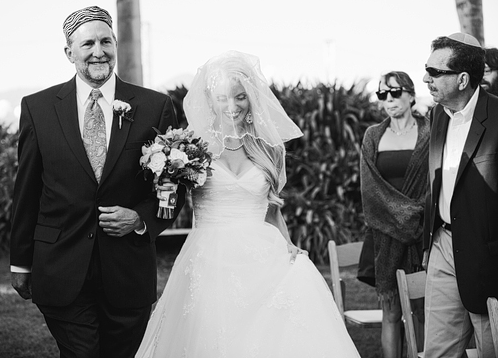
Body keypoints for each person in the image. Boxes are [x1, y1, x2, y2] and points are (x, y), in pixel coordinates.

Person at [134, 50, 360, 357]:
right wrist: (165, 177)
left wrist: (290, 245)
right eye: (223, 97)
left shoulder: (270, 149)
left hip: (264, 255)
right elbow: (168, 203)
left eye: (240, 97)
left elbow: (273, 209)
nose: (232, 106)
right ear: (209, 100)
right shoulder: (188, 148)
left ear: (251, 98)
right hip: (210, 258)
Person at [9, 5, 185, 358]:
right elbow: (26, 190)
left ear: (116, 45)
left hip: (128, 272)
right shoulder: (38, 108)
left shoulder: (155, 106)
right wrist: (20, 262)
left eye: (106, 41)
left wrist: (140, 220)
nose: (98, 51)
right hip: (59, 267)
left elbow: (172, 187)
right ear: (69, 52)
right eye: (87, 43)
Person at [423, 32, 498, 358]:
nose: (426, 78)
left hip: (488, 256)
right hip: (442, 245)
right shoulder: (437, 115)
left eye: (435, 72)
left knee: (490, 348)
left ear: (463, 78)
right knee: (438, 351)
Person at [360, 71, 429, 358]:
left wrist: (418, 216)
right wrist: (405, 216)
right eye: (382, 94)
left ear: (411, 95)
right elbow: (370, 188)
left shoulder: (430, 130)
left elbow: (434, 181)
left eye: (395, 92)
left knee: (424, 312)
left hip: (423, 232)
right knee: (391, 313)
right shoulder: (374, 135)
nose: (389, 99)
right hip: (386, 233)